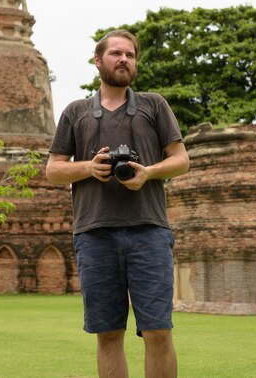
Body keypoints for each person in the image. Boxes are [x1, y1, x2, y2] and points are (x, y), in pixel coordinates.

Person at [46, 29, 189, 378]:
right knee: (108, 333)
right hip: (95, 234)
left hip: (149, 231)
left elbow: (181, 160)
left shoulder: (154, 105)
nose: (124, 59)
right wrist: (88, 167)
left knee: (158, 331)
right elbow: (53, 170)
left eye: (130, 55)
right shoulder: (76, 112)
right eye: (116, 54)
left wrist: (148, 172)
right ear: (98, 60)